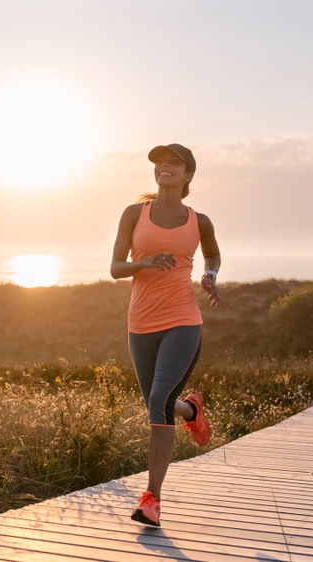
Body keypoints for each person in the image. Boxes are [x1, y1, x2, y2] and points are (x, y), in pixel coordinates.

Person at [109, 143, 221, 527]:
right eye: (160, 162)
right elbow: (115, 267)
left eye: (173, 163)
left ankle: (152, 499)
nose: (164, 166)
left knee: (158, 398)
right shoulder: (133, 214)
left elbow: (213, 255)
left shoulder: (199, 221)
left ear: (188, 174)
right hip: (140, 323)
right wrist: (144, 262)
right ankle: (191, 410)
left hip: (183, 320)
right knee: (156, 405)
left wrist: (210, 276)